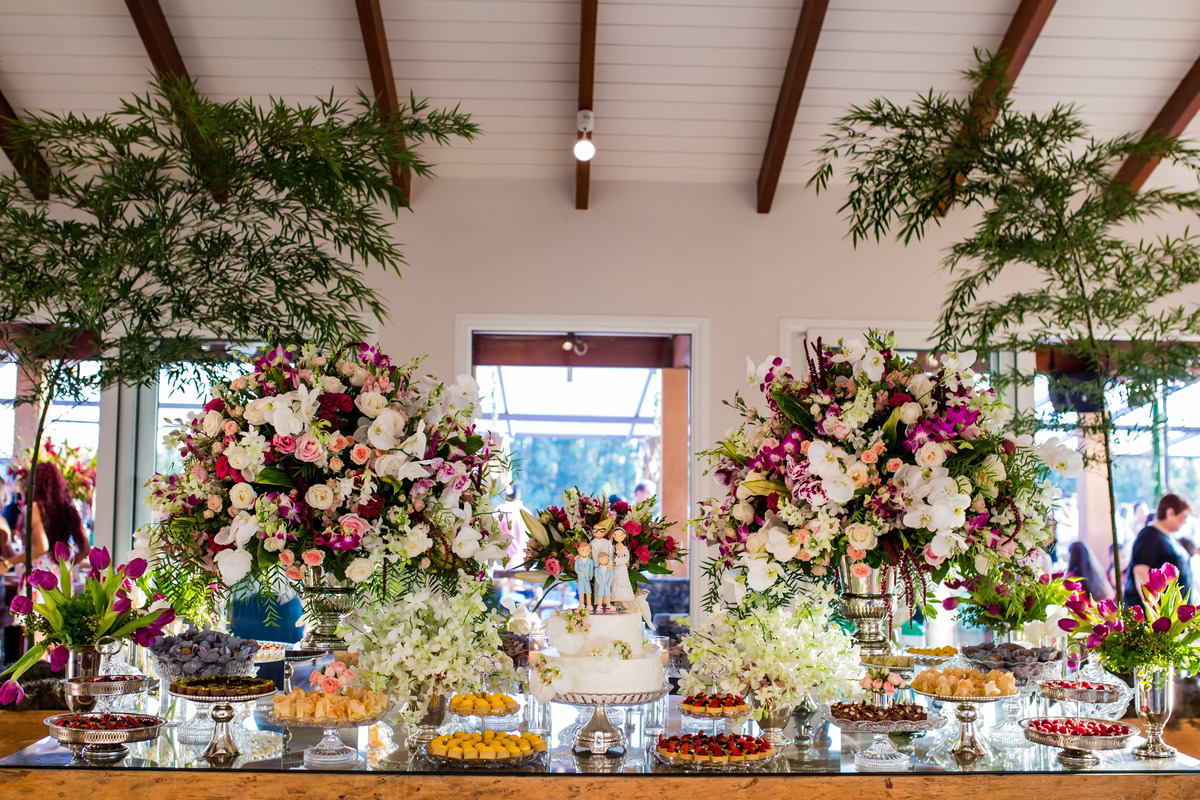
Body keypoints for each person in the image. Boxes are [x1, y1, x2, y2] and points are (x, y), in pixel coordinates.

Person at [0, 461, 90, 574]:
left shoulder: (35, 508)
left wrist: (8, 563)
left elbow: (41, 547)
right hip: (62, 577)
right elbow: (85, 550)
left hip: (38, 577)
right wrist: (66, 564)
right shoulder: (69, 510)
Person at [1124, 493, 1193, 610]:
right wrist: (1154, 609)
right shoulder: (1149, 535)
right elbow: (1141, 571)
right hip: (1160, 616)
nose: (1185, 521)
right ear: (1170, 512)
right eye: (1184, 516)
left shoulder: (1168, 536)